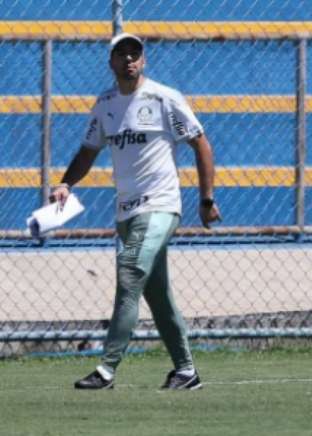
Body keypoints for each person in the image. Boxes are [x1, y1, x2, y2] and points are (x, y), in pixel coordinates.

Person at [50, 33, 222, 390]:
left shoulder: (163, 98)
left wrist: (206, 199)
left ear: (143, 61)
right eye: (122, 54)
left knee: (129, 274)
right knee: (157, 294)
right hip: (126, 212)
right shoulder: (106, 104)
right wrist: (66, 183)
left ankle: (107, 370)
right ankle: (186, 372)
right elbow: (88, 150)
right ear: (110, 62)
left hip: (160, 207)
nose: (129, 59)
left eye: (135, 54)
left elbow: (201, 143)